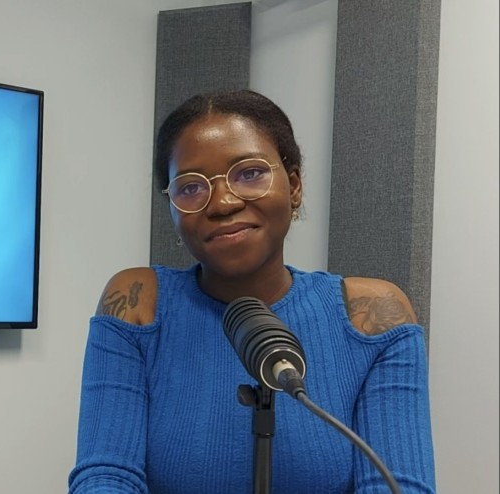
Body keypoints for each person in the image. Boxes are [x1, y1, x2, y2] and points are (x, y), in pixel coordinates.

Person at [68, 89, 436, 493]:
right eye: (190, 187)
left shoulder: (370, 318)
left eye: (249, 174)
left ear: (293, 186)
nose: (222, 203)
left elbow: (399, 485)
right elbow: (106, 477)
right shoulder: (138, 305)